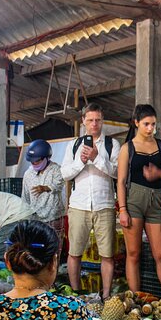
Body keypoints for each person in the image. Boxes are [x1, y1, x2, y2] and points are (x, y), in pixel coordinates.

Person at [62, 103, 120, 297]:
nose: (94, 124)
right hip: (79, 205)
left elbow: (117, 173)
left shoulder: (112, 144)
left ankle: (105, 295)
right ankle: (76, 292)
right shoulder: (74, 145)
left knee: (107, 254)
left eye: (97, 120)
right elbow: (65, 174)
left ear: (102, 121)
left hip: (105, 205)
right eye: (90, 120)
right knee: (74, 252)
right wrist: (81, 161)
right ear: (84, 122)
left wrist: (96, 158)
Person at [117, 105, 161, 297]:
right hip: (133, 201)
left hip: (156, 201)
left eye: (153, 124)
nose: (150, 128)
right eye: (146, 124)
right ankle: (136, 301)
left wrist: (158, 174)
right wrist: (122, 209)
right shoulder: (128, 148)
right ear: (136, 123)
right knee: (133, 255)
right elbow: (121, 181)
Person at [22, 139, 65, 251]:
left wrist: (45, 188)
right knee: (37, 250)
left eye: (38, 161)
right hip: (35, 219)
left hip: (53, 217)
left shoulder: (56, 169)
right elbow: (25, 196)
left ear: (47, 158)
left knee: (53, 249)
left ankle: (53, 268)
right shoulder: (28, 173)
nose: (35, 164)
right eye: (32, 162)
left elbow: (58, 184)